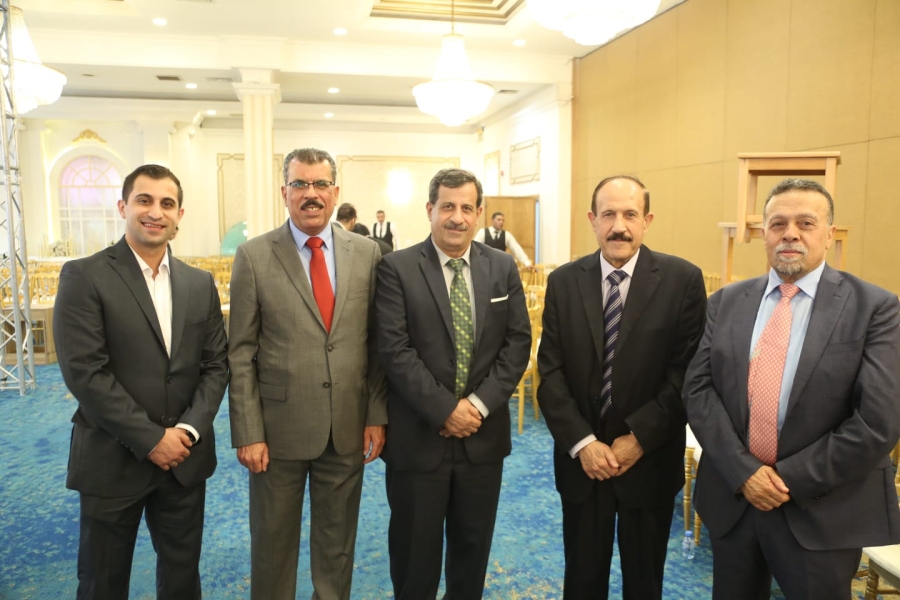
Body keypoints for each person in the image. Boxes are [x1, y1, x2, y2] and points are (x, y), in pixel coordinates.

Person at [683, 178, 900, 600]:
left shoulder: (874, 307)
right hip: (736, 501)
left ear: (829, 233)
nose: (791, 234)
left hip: (823, 509)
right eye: (778, 223)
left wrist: (785, 479)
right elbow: (698, 390)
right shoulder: (725, 302)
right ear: (764, 233)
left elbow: (878, 420)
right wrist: (745, 473)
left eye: (806, 223)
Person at [54, 164, 229, 598]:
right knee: (102, 582)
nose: (155, 212)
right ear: (122, 207)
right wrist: (152, 439)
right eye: (144, 200)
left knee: (182, 580)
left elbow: (215, 365)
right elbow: (85, 372)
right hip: (112, 458)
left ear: (179, 215)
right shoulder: (84, 275)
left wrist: (187, 431)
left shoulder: (199, 283)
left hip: (184, 460)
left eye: (167, 203)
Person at [228, 148, 387, 600]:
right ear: (284, 192)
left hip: (347, 425)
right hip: (276, 432)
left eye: (320, 184)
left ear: (335, 192)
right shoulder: (254, 256)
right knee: (273, 543)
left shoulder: (367, 253)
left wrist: (375, 414)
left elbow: (377, 343)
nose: (310, 193)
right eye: (300, 184)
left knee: (337, 545)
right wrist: (248, 431)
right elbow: (240, 354)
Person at [537, 175, 707, 600]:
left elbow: (685, 373)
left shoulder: (683, 280)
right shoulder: (564, 282)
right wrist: (583, 443)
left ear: (647, 221)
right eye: (609, 214)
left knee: (644, 583)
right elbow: (551, 374)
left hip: (649, 461)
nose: (619, 226)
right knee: (582, 581)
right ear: (592, 220)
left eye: (630, 214)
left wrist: (639, 438)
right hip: (583, 464)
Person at [375, 168, 531, 599]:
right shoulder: (396, 268)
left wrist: (476, 406)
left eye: (466, 207)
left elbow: (517, 343)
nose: (457, 217)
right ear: (430, 209)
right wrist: (446, 409)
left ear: (479, 213)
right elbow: (394, 350)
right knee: (414, 561)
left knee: (471, 557)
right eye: (447, 206)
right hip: (417, 439)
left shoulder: (502, 266)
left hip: (483, 440)